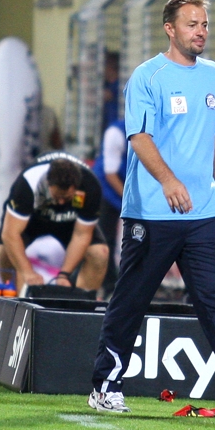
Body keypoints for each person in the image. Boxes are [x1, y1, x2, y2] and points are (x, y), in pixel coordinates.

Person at [89, 0, 215, 417]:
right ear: (170, 29)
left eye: (206, 24)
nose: (201, 31)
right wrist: (169, 180)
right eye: (193, 24)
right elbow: (139, 138)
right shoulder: (147, 76)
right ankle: (105, 385)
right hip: (152, 212)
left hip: (202, 216)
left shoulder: (212, 76)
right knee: (132, 300)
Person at [0, 151, 109, 295]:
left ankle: (81, 305)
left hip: (69, 221)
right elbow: (10, 234)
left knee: (99, 254)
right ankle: (13, 299)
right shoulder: (28, 183)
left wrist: (64, 275)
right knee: (4, 251)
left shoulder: (90, 186)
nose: (61, 202)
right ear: (49, 184)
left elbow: (82, 235)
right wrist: (27, 272)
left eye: (66, 197)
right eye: (57, 196)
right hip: (33, 219)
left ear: (76, 187)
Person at [93, 119, 126, 298]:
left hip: (127, 186)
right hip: (106, 189)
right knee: (105, 238)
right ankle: (108, 286)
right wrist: (130, 199)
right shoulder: (116, 133)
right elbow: (111, 174)